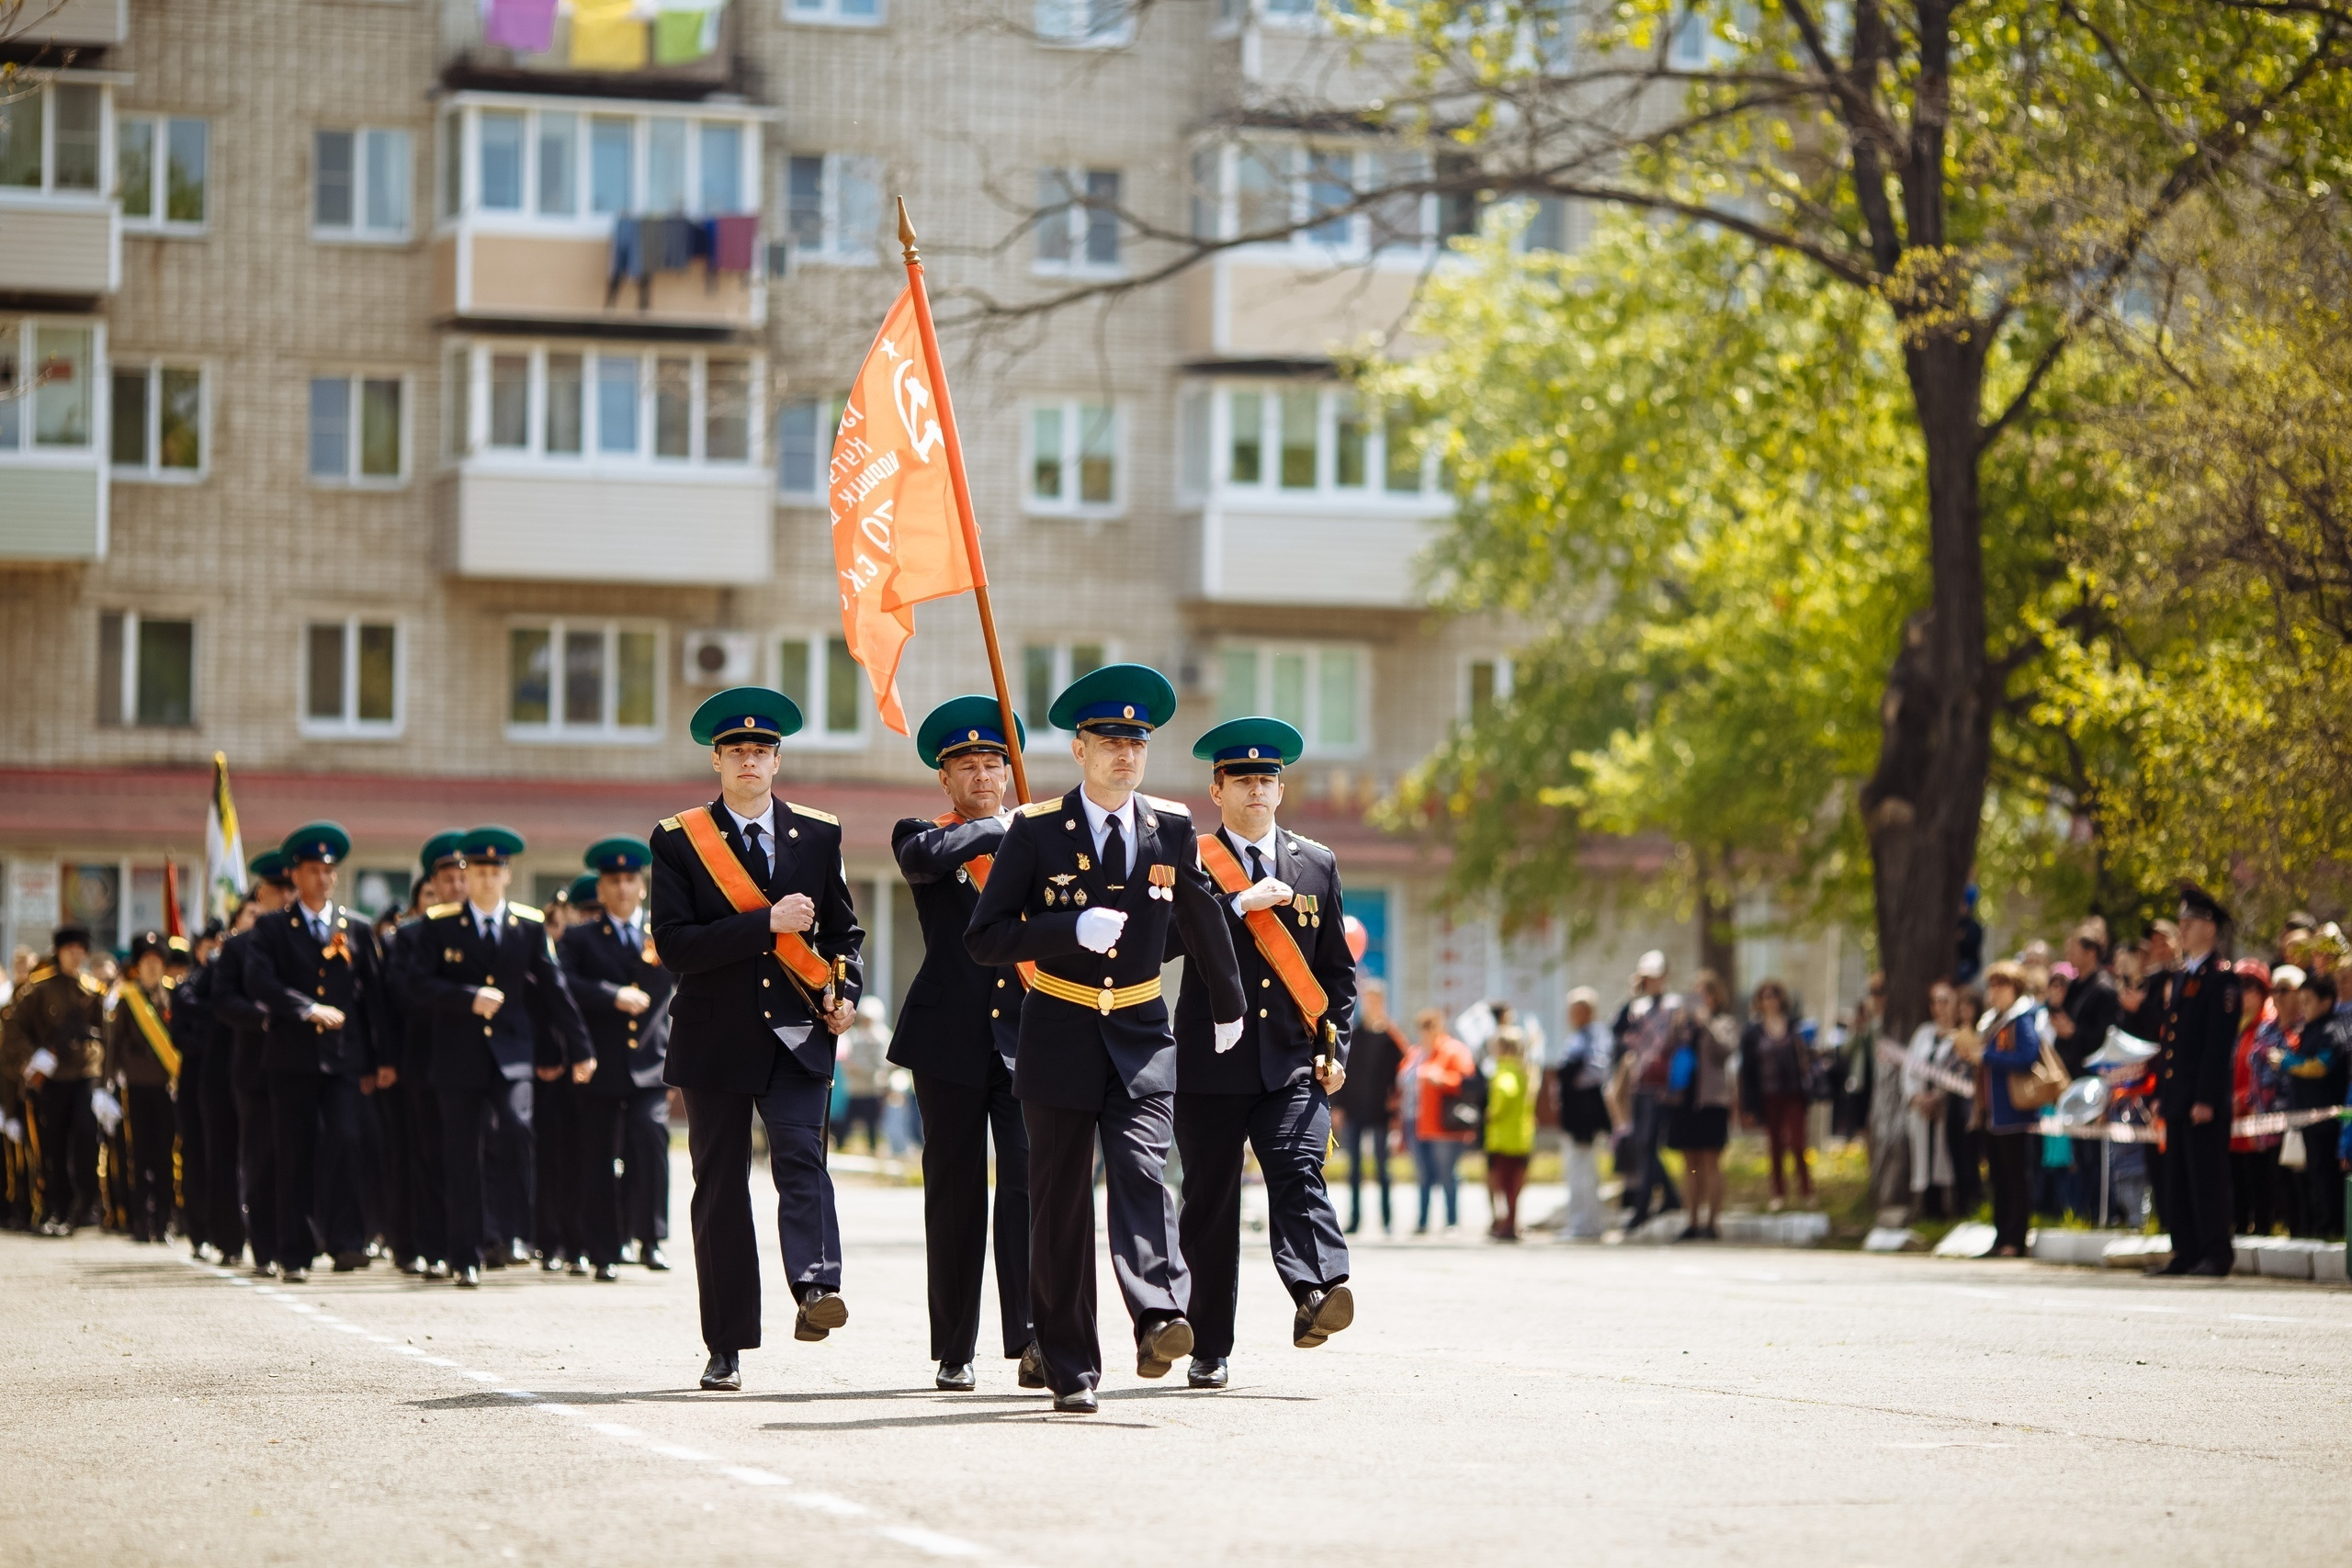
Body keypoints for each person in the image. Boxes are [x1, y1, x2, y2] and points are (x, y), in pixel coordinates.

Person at [965, 664, 1244, 1414]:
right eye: (1111, 740)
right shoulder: (1035, 829)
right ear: (1080, 748)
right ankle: (1070, 1364)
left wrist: (1228, 1000)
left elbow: (1200, 911)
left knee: (1143, 1171)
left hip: (1142, 1033)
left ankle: (1159, 1314)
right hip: (1058, 1030)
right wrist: (1063, 929)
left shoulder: (1170, 826)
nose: (1127, 753)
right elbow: (985, 937)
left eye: (1139, 740)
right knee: (1058, 1206)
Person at [652, 688, 865, 1393]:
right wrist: (766, 922)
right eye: (737, 750)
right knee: (720, 1189)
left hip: (798, 1035)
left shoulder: (819, 834)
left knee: (803, 1160)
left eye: (762, 750)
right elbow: (675, 945)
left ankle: (814, 1286)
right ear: (716, 759)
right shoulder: (680, 839)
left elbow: (843, 937)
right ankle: (727, 1342)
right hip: (715, 1038)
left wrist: (844, 991)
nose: (751, 759)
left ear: (777, 760)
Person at [1170, 716, 1357, 1390]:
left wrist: (1337, 1041)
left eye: (1267, 779)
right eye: (1242, 778)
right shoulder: (1186, 857)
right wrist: (1233, 902)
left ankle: (1319, 1289)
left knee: (1297, 1164)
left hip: (1290, 1060)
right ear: (1215, 788)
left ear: (1281, 790)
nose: (1257, 789)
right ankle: (1209, 1345)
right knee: (1211, 1205)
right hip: (1210, 1061)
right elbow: (1159, 942)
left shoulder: (1317, 862)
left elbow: (1336, 973)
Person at [888, 694, 1038, 1393]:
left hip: (1029, 1036)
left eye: (993, 762)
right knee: (954, 1195)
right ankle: (954, 1345)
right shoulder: (925, 831)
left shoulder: (1037, 835)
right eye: (967, 765)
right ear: (944, 779)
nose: (982, 774)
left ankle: (1033, 1336)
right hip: (947, 1039)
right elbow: (925, 860)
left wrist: (1023, 834)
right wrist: (997, 831)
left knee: (1030, 1187)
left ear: (1008, 772)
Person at [413, 825, 592, 1288]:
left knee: (516, 1128)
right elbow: (416, 985)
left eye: (497, 870)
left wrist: (581, 1050)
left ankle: (513, 1232)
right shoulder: (440, 924)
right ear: (467, 874)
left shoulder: (528, 926)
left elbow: (555, 991)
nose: (489, 879)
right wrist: (466, 997)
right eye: (481, 870)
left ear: (508, 876)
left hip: (511, 1054)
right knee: (462, 1157)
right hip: (458, 1056)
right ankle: (465, 1255)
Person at [243, 822, 390, 1280]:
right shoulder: (272, 928)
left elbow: (374, 998)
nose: (323, 878)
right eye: (313, 870)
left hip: (344, 1059)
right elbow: (258, 982)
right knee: (295, 1152)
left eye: (329, 870)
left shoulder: (357, 929)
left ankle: (347, 1242)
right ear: (296, 875)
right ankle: (295, 1252)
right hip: (292, 1059)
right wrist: (306, 1008)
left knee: (347, 1142)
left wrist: (382, 1059)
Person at [558, 836, 675, 1283]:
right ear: (600, 889)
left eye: (630, 880)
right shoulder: (580, 937)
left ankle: (650, 1238)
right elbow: (563, 984)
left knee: (650, 1143)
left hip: (650, 1063)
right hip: (601, 1064)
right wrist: (612, 995)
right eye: (614, 881)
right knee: (599, 1157)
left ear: (642, 887)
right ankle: (602, 1248)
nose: (623, 888)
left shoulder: (663, 933)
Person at [2143, 885, 2241, 1276]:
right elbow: (2172, 1044)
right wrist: (2163, 1095)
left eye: (2189, 922)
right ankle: (2184, 1251)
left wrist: (2205, 1098)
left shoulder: (2222, 980)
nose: (2182, 929)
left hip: (2203, 1100)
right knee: (2178, 1179)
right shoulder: (2183, 976)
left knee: (2207, 1178)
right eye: (2181, 922)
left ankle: (2215, 1253)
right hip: (2178, 1095)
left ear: (2210, 928)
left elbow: (2217, 1047)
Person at [385, 832, 466, 1278]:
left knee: (469, 1155)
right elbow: (398, 994)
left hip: (473, 1060)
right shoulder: (412, 935)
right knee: (426, 1155)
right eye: (446, 880)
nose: (455, 888)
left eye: (461, 878)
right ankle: (425, 1243)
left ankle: (470, 1243)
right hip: (423, 1058)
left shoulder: (479, 929)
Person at [217, 863, 290, 1272]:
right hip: (256, 1067)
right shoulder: (240, 946)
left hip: (303, 1066)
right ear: (261, 894)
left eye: (289, 888)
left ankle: (297, 1240)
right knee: (261, 1160)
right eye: (277, 888)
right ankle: (265, 1245)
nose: (286, 896)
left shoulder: (308, 940)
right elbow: (222, 1000)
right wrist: (263, 1017)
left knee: (296, 1156)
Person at [17, 925, 107, 1234]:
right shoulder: (39, 989)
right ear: (59, 952)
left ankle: (85, 1203)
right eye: (70, 949)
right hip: (52, 1078)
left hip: (83, 1074)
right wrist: (34, 1056)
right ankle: (56, 1208)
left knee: (85, 1135)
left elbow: (107, 1032)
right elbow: (15, 1030)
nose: (75, 954)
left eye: (80, 949)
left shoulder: (93, 990)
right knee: (52, 1144)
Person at [104, 931, 181, 1243]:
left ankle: (165, 1220)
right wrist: (105, 1084)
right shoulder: (127, 998)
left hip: (167, 1086)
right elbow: (114, 1044)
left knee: (166, 1155)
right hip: (135, 1086)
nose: (152, 967)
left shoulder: (174, 995)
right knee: (139, 1155)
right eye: (146, 961)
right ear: (137, 966)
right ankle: (139, 1221)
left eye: (157, 961)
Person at [1967, 962, 2044, 1257]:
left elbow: (2028, 1057)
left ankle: (2016, 1238)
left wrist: (1986, 1055)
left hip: (2013, 1111)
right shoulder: (1993, 1020)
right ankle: (2001, 1237)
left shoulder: (2020, 1019)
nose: (1995, 991)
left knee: (2014, 1177)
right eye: (1993, 985)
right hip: (1993, 1112)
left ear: (2015, 988)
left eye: (2002, 985)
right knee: (1997, 1177)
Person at [1667, 970, 1736, 1240]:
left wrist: (1706, 1023)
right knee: (1690, 1163)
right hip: (1685, 1100)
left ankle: (1712, 1222)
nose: (1700, 1000)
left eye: (1705, 994)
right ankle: (1692, 1220)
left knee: (1711, 1162)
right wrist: (1678, 1024)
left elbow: (1725, 1051)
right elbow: (1668, 1048)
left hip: (1711, 1101)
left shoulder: (1724, 1022)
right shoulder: (1685, 1026)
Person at [1336, 977, 1406, 1235]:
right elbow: (1343, 1070)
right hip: (1354, 1109)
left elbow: (1404, 1067)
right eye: (1368, 1000)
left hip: (1379, 1111)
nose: (1371, 1005)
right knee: (1353, 1167)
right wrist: (1338, 1106)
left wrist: (1396, 1104)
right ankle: (1355, 1219)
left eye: (1376, 1001)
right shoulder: (1354, 1035)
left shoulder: (1390, 1037)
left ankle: (1387, 1219)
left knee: (1382, 1166)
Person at [2282, 968, 2348, 1240]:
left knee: (2326, 1177)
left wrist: (2286, 1062)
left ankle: (2330, 1229)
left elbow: (2321, 1067)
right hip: (2306, 1115)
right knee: (2309, 1177)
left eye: (2308, 1001)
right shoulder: (2309, 1029)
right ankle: (2313, 1227)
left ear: (2326, 1001)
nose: (2304, 1007)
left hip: (2326, 1118)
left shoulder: (2333, 1029)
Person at [1737, 978, 1812, 1207]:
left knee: (1798, 1142)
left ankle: (1807, 1189)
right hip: (1768, 1095)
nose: (1770, 1000)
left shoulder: (1793, 1026)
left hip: (1793, 1093)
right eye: (1765, 996)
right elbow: (1747, 1071)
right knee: (1776, 1145)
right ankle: (1778, 1192)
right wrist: (1747, 1106)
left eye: (1774, 995)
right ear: (1759, 1001)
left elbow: (1806, 1057)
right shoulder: (1753, 1033)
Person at [1548, 986, 1612, 1240]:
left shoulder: (1595, 1035)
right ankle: (1581, 1222)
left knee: (1584, 1169)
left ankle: (1586, 1225)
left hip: (1585, 1112)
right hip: (1572, 1113)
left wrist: (1573, 1080)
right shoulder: (1576, 1037)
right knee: (1576, 1168)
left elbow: (1597, 1071)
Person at [2229, 958, 2285, 1238]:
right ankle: (2239, 1224)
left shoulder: (2268, 1027)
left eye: (2250, 986)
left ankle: (2263, 1225)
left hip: (2257, 1115)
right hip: (2232, 1118)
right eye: (2238, 985)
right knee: (2236, 1173)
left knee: (2259, 1174)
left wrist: (2245, 1099)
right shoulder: (2232, 1026)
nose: (2243, 992)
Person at [1408, 1008, 1476, 1233]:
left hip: (1446, 1126)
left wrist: (1442, 1079)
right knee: (1423, 1176)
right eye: (1422, 1029)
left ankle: (1452, 1221)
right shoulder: (1417, 1053)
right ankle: (1423, 1221)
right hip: (1419, 1124)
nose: (1426, 1033)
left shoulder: (1453, 1050)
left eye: (1430, 1027)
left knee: (1448, 1174)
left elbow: (1468, 1082)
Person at [1901, 979, 1960, 1218]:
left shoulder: (1959, 1035)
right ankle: (1924, 1208)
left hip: (1945, 1107)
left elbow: (1957, 1072)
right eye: (1934, 1001)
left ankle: (1949, 1208)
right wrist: (1916, 1097)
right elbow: (1909, 1068)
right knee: (1922, 1157)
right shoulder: (1923, 1033)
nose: (1939, 1007)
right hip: (1921, 1106)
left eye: (1944, 1001)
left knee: (1944, 1156)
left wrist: (1938, 1097)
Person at [1483, 1024, 1536, 1240]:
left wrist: (1493, 1112)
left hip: (1502, 1138)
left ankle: (1505, 1225)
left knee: (1501, 1184)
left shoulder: (1504, 1069)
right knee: (1514, 1186)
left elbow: (1506, 1091)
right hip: (1521, 1136)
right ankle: (1511, 1223)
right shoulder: (1525, 1070)